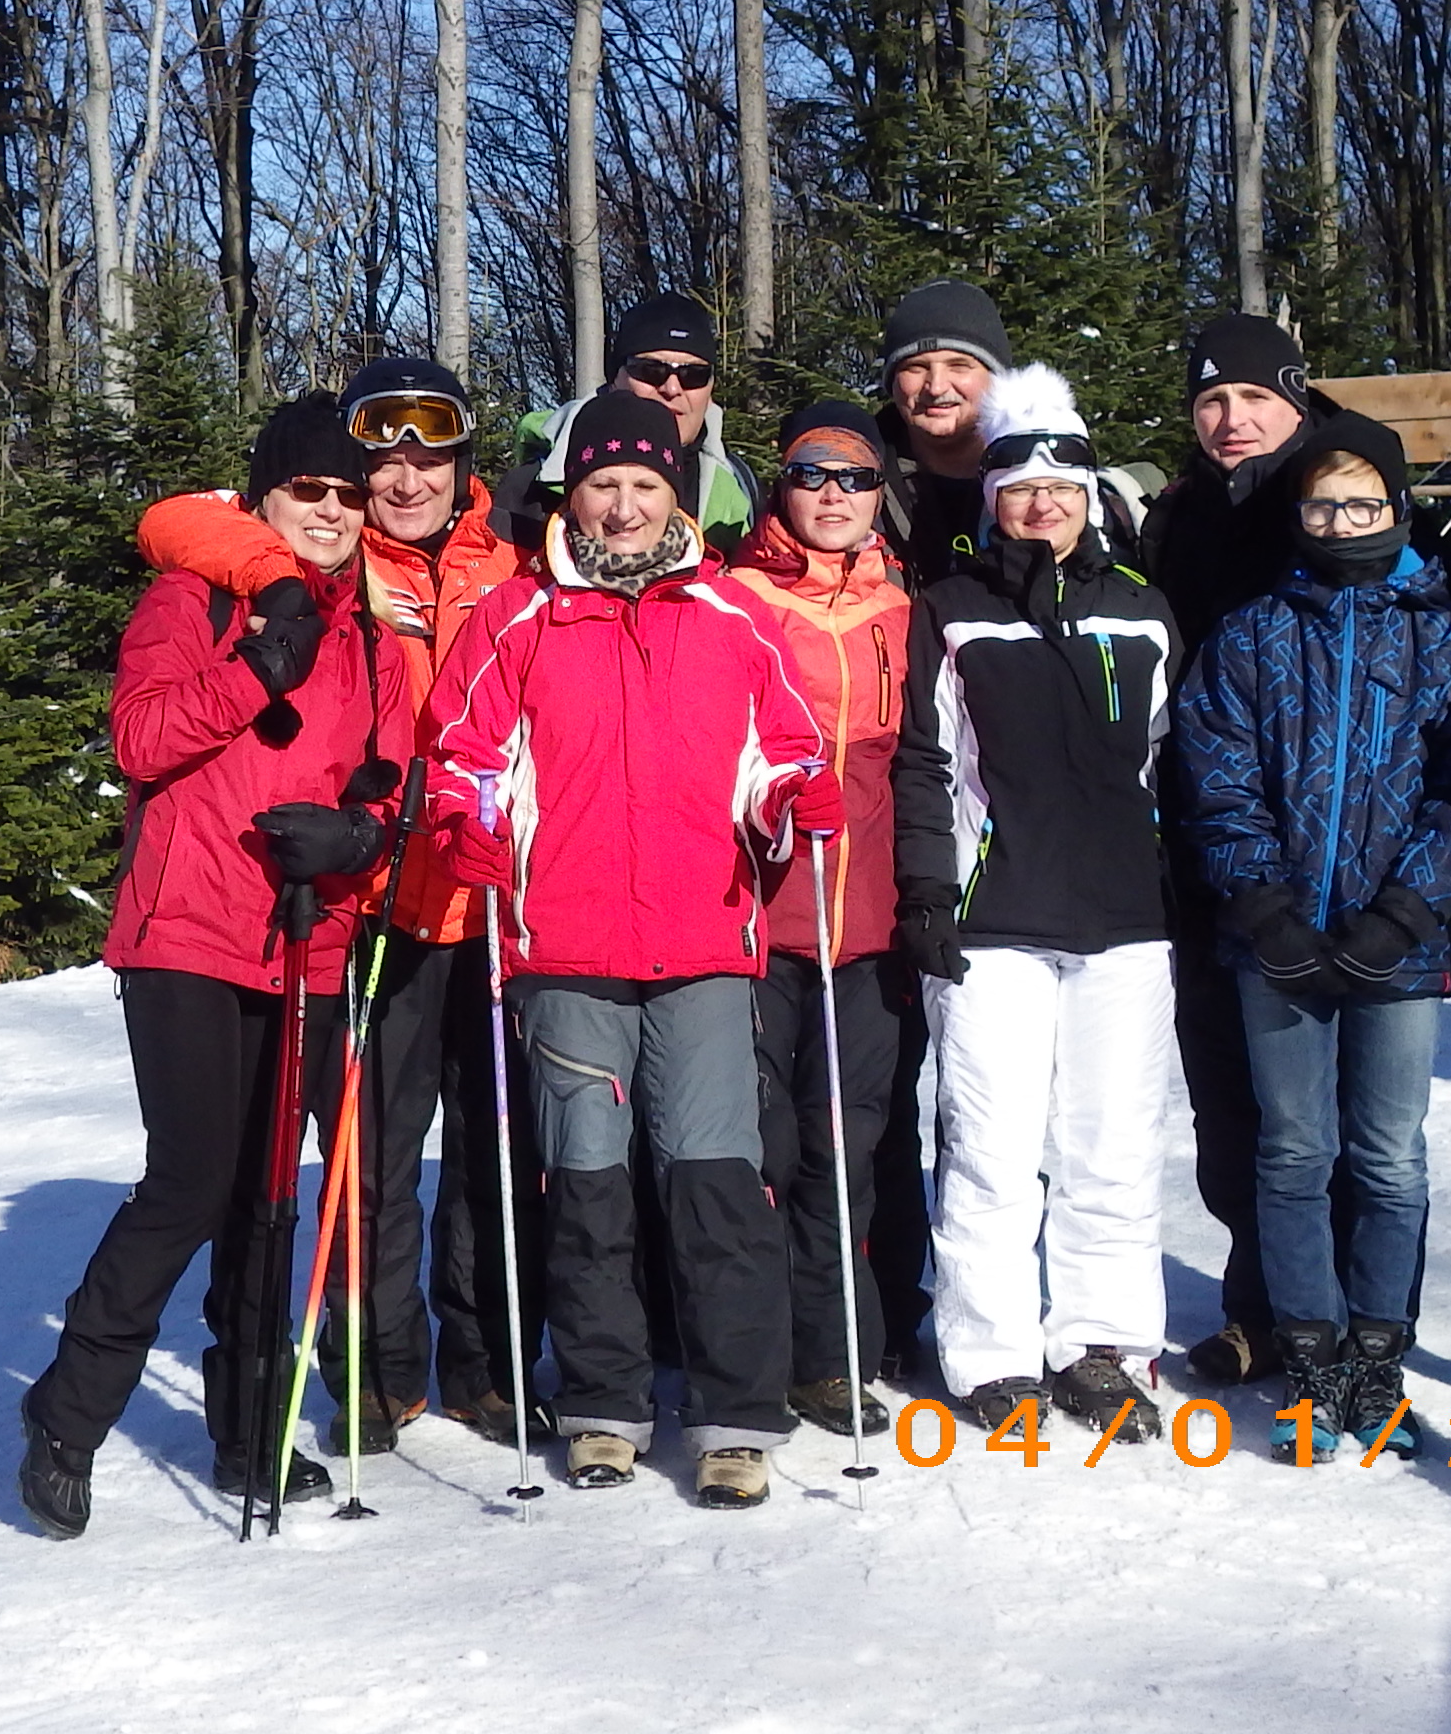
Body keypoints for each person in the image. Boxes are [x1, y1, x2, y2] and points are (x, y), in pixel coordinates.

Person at [428, 389, 835, 1509]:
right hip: (566, 948)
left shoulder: (734, 616)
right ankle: (603, 1405)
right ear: (572, 493)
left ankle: (735, 1416)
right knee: (589, 1188)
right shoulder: (516, 616)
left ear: (676, 493)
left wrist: (792, 800)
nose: (621, 505)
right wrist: (466, 823)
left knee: (716, 1184)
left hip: (703, 944)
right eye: (603, 484)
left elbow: (782, 752)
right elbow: (463, 755)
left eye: (644, 484)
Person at [18, 397, 409, 1540]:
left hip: (303, 936)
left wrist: (359, 838)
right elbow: (140, 740)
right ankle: (68, 1412)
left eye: (347, 496)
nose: (330, 512)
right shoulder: (192, 600)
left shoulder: (372, 639)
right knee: (190, 1181)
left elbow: (392, 779)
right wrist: (255, 669)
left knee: (268, 1197)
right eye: (307, 492)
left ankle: (249, 1427)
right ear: (263, 498)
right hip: (187, 928)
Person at [130, 355, 531, 1451]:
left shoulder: (515, 559)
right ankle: (377, 1370)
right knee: (375, 1156)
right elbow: (172, 521)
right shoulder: (325, 563)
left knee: (496, 1152)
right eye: (381, 465)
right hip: (381, 897)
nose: (404, 482)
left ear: (462, 465)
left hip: (496, 898)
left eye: (428, 459)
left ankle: (487, 1364)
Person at [893, 366, 1187, 1443]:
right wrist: (928, 888)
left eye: (1063, 486)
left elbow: (1170, 758)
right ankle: (995, 1354)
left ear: (1091, 497)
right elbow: (923, 760)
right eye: (1020, 487)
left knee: (1114, 1145)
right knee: (991, 1147)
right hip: (994, 921)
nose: (1042, 503)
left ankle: (1101, 1345)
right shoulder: (952, 610)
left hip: (1124, 921)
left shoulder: (1143, 610)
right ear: (994, 500)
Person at [1168, 426, 1451, 1461]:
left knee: (1389, 1158)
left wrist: (1407, 911)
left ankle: (1379, 1359)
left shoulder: (1440, 636)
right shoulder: (1251, 633)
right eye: (1324, 505)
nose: (1343, 524)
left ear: (1399, 512)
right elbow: (1216, 775)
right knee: (1294, 1152)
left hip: (1401, 944)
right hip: (1280, 941)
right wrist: (1262, 905)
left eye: (1364, 504)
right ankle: (1312, 1357)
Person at [1135, 310, 1397, 1384]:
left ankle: (1358, 1317)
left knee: (1352, 1115)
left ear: (1294, 398)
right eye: (1211, 399)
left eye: (1251, 396)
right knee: (1232, 1096)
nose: (1231, 418)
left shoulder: (1340, 493)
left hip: (1346, 854)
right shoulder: (1178, 517)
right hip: (1213, 849)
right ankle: (1267, 1305)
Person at [719, 398, 918, 1435]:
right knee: (761, 1150)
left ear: (881, 492)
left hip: (865, 923)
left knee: (846, 1146)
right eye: (811, 472)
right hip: (754, 914)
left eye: (855, 476)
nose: (833, 494)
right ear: (781, 486)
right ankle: (748, 1355)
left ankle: (835, 1353)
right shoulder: (733, 597)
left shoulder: (902, 607)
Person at [508, 292, 757, 546]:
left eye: (693, 375)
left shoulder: (739, 489)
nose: (672, 389)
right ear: (615, 378)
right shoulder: (530, 487)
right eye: (651, 370)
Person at [871, 281, 1007, 583]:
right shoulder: (852, 484)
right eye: (916, 367)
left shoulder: (1047, 478)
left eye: (959, 366)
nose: (936, 387)